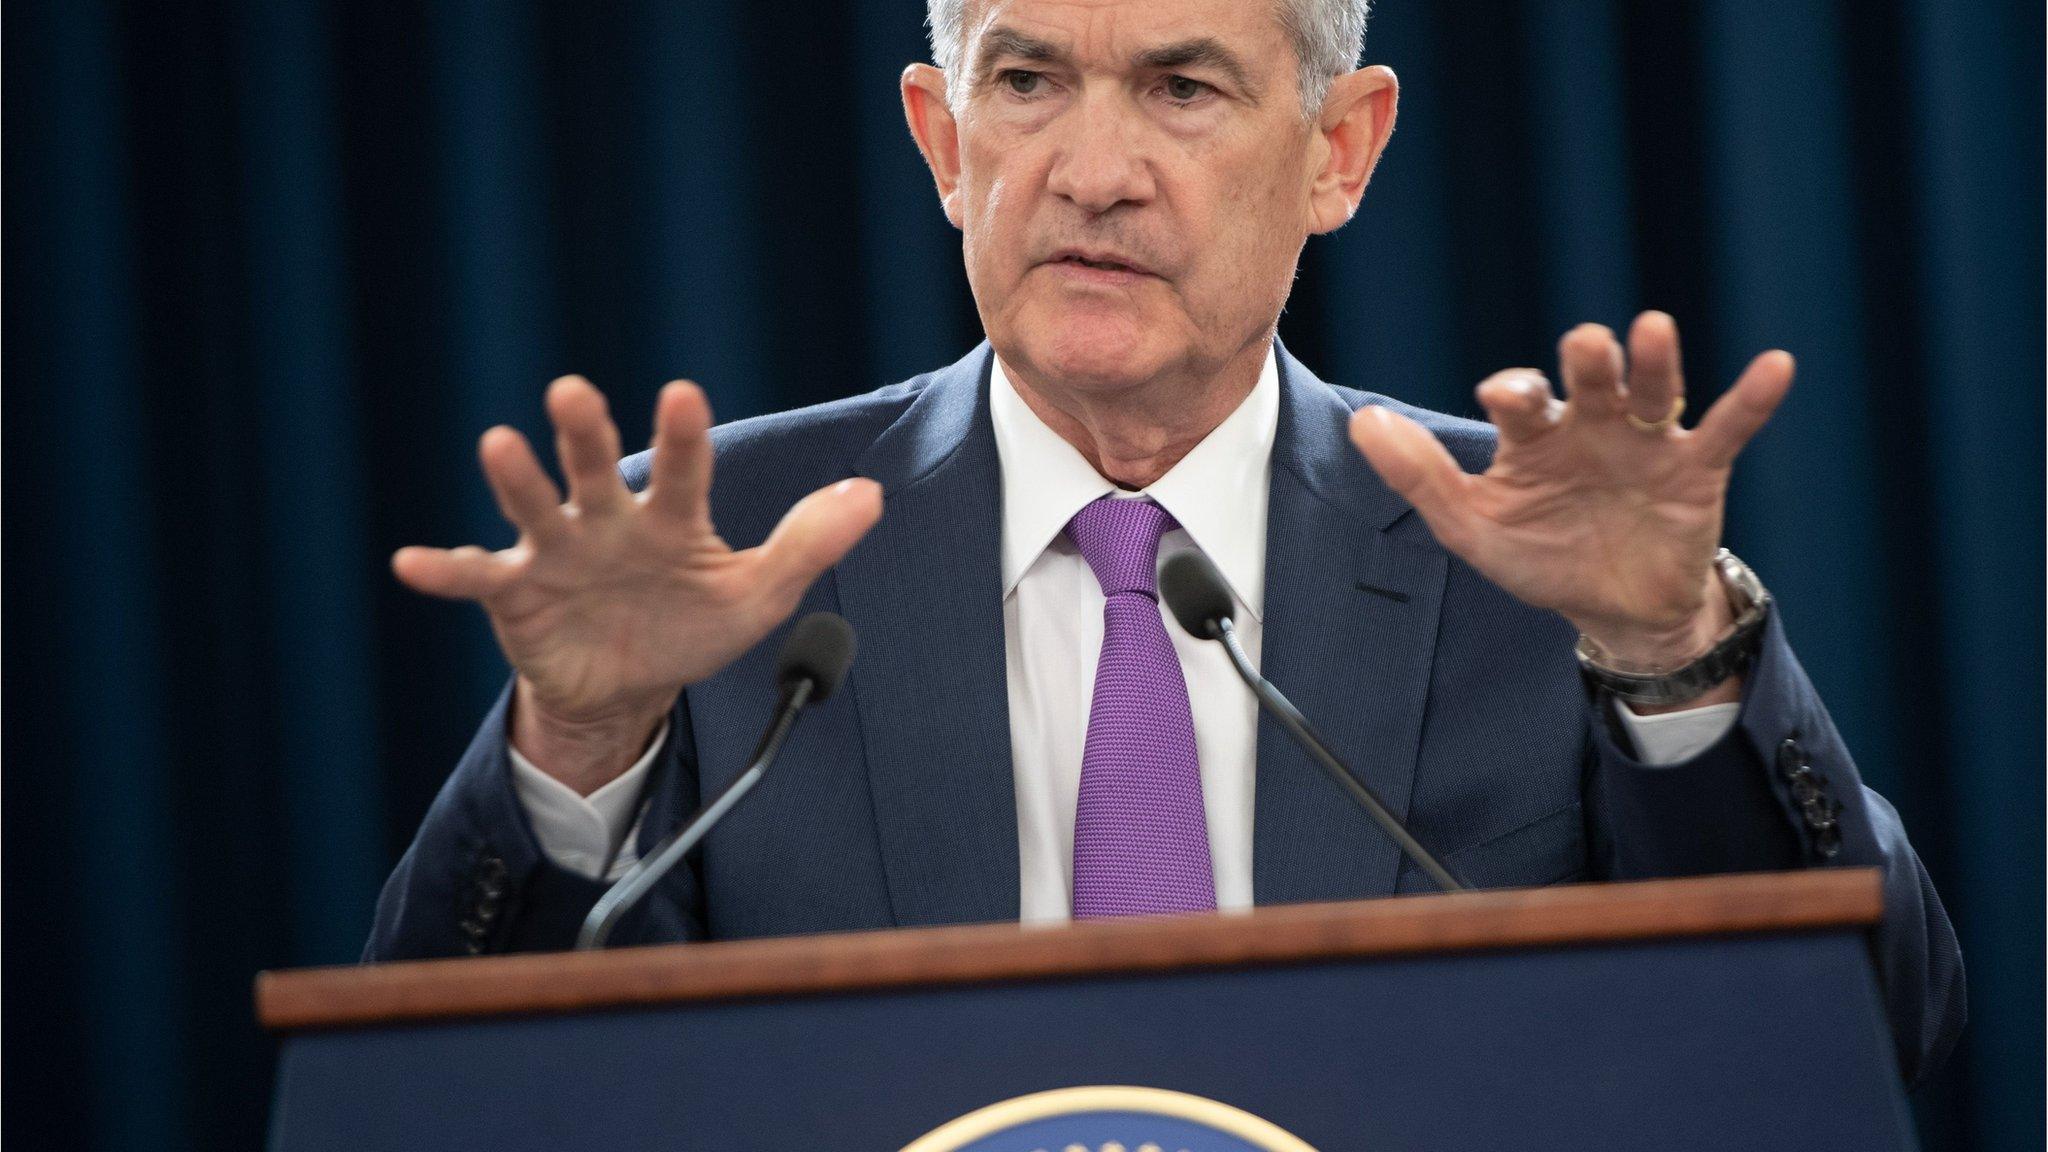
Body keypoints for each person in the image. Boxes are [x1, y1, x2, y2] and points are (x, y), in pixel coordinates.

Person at [363, 0, 1962, 1085]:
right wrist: (580, 744)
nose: (1094, 173)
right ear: (941, 138)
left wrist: (1671, 661)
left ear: (1339, 149)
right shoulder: (721, 561)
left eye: (1182, 88)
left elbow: (1876, 1035)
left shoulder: (1535, 552)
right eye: (1028, 80)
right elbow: (449, 1085)